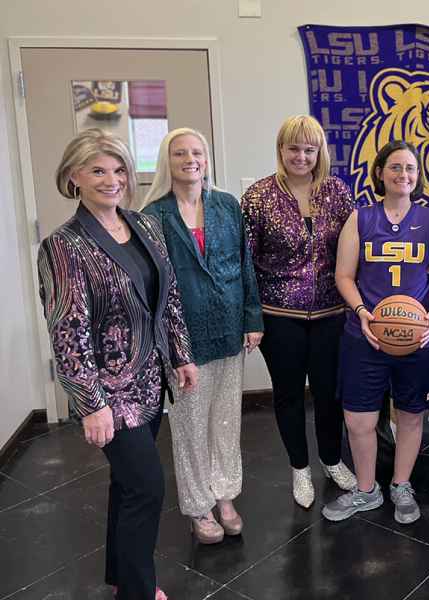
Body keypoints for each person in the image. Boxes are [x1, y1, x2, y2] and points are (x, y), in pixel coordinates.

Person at [38, 129, 198, 600]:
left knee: (128, 485)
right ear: (74, 177)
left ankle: (120, 576)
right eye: (97, 171)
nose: (112, 180)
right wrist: (91, 404)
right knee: (147, 487)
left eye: (119, 170)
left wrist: (180, 354)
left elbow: (168, 297)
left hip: (150, 381)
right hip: (108, 394)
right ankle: (137, 590)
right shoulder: (65, 245)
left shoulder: (144, 225)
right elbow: (68, 331)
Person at [141, 128, 263, 543]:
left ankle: (226, 495)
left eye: (197, 152)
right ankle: (199, 506)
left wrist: (252, 318)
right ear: (167, 161)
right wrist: (169, 345)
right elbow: (153, 286)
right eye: (180, 153)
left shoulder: (227, 206)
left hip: (229, 329)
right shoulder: (154, 216)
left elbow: (245, 264)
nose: (190, 159)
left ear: (207, 160)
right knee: (191, 426)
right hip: (184, 338)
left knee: (226, 420)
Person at [322, 140, 429, 524]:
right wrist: (363, 312)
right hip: (366, 334)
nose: (403, 175)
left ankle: (401, 485)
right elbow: (344, 276)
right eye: (395, 167)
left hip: (418, 336)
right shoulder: (360, 218)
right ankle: (366, 490)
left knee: (410, 415)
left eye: (410, 168)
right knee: (358, 420)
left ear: (417, 175)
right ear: (380, 172)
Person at [241, 115, 357, 508]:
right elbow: (244, 263)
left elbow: (354, 250)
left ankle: (332, 459)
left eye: (310, 149)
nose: (301, 156)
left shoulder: (337, 192)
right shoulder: (258, 197)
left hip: (331, 313)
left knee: (329, 394)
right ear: (281, 149)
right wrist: (250, 317)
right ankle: (300, 468)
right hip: (279, 315)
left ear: (320, 152)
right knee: (288, 394)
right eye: (294, 148)